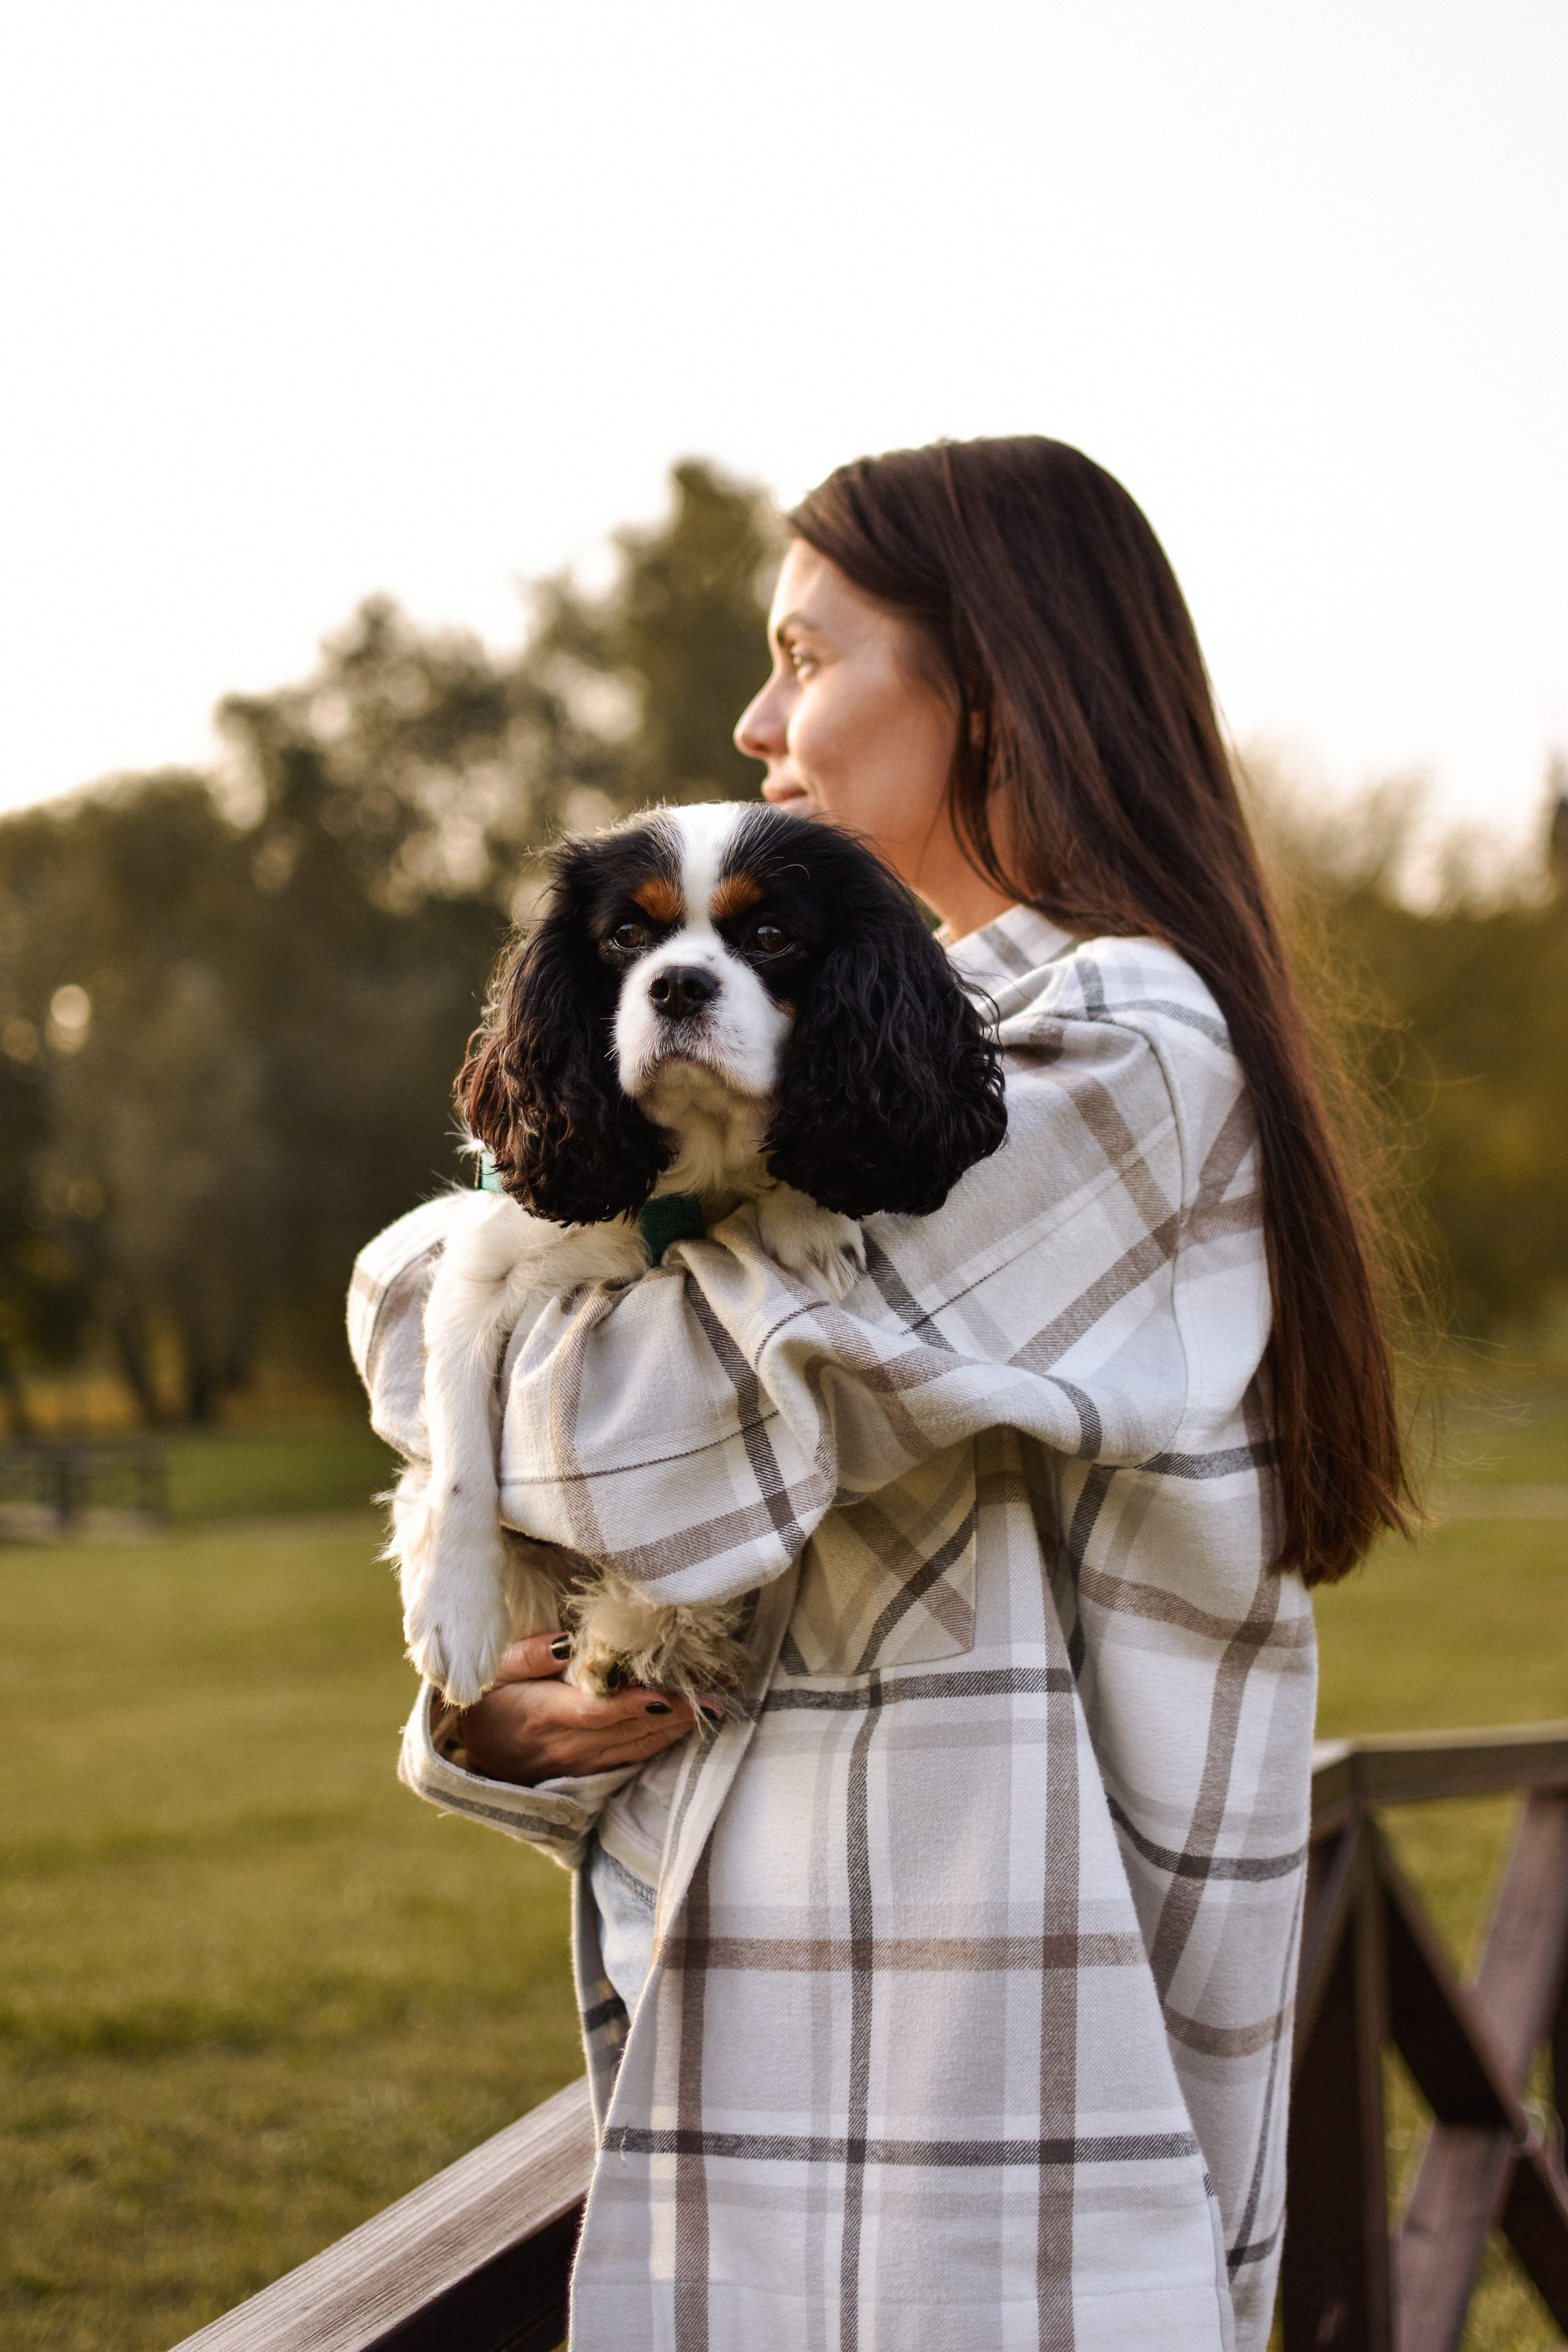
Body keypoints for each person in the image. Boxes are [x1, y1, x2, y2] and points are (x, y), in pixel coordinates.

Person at [349, 437, 1408, 2351]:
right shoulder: (873, 1082)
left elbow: (657, 1447)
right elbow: (746, 1638)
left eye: (806, 656)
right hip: (765, 2144)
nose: (757, 723)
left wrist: (436, 1301)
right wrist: (485, 1721)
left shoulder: (1122, 1049)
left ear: (991, 689)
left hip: (1015, 2205)